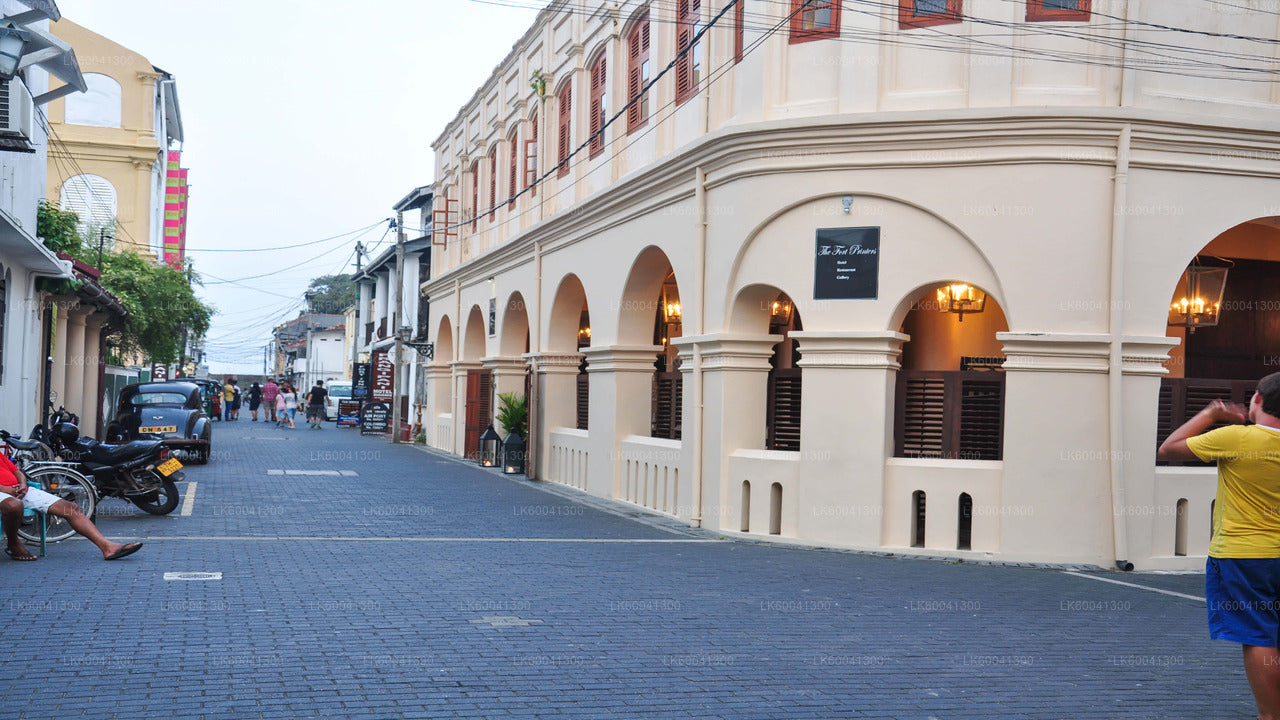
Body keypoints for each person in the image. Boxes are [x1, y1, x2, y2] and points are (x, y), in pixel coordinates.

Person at [1157, 372, 1280, 720]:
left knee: (1258, 635)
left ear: (1257, 399)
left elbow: (1169, 449)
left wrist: (1211, 413)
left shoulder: (1237, 438)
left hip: (1244, 555)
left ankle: (1271, 714)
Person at [0, 455, 142, 561]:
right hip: (5, 493)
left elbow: (17, 471)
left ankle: (108, 547)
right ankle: (13, 544)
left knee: (71, 508)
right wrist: (6, 490)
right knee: (14, 505)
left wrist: (23, 485)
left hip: (20, 490)